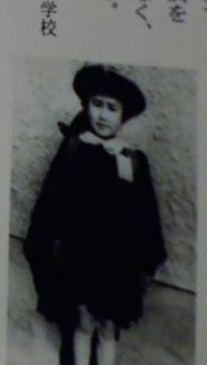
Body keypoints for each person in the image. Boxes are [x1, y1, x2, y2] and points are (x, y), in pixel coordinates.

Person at [22, 65, 166, 365]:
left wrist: (146, 257)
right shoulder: (74, 149)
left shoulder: (132, 159)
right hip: (80, 256)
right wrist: (45, 241)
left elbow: (145, 212)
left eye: (112, 108)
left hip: (117, 262)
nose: (103, 115)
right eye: (97, 104)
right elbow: (53, 198)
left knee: (108, 327)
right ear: (86, 106)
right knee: (83, 322)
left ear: (123, 116)